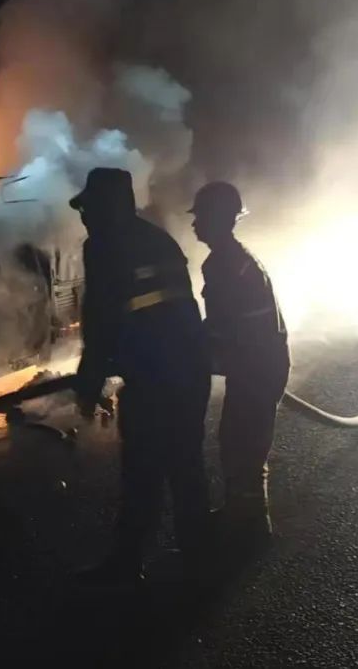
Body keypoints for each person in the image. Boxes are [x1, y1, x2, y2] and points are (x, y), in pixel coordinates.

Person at [71, 168, 212, 583]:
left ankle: (127, 564)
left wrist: (90, 379)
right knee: (185, 466)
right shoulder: (158, 239)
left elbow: (101, 317)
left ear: (108, 207)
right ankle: (200, 561)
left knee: (142, 470)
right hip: (189, 371)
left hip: (155, 379)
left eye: (89, 208)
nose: (84, 217)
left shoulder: (103, 246)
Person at [190, 181, 290, 546]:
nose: (194, 223)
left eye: (200, 216)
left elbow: (224, 327)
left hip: (255, 369)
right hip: (262, 365)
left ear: (218, 218)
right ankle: (246, 515)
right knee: (242, 442)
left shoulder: (223, 264)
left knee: (241, 442)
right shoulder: (237, 258)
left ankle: (249, 530)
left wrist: (191, 350)